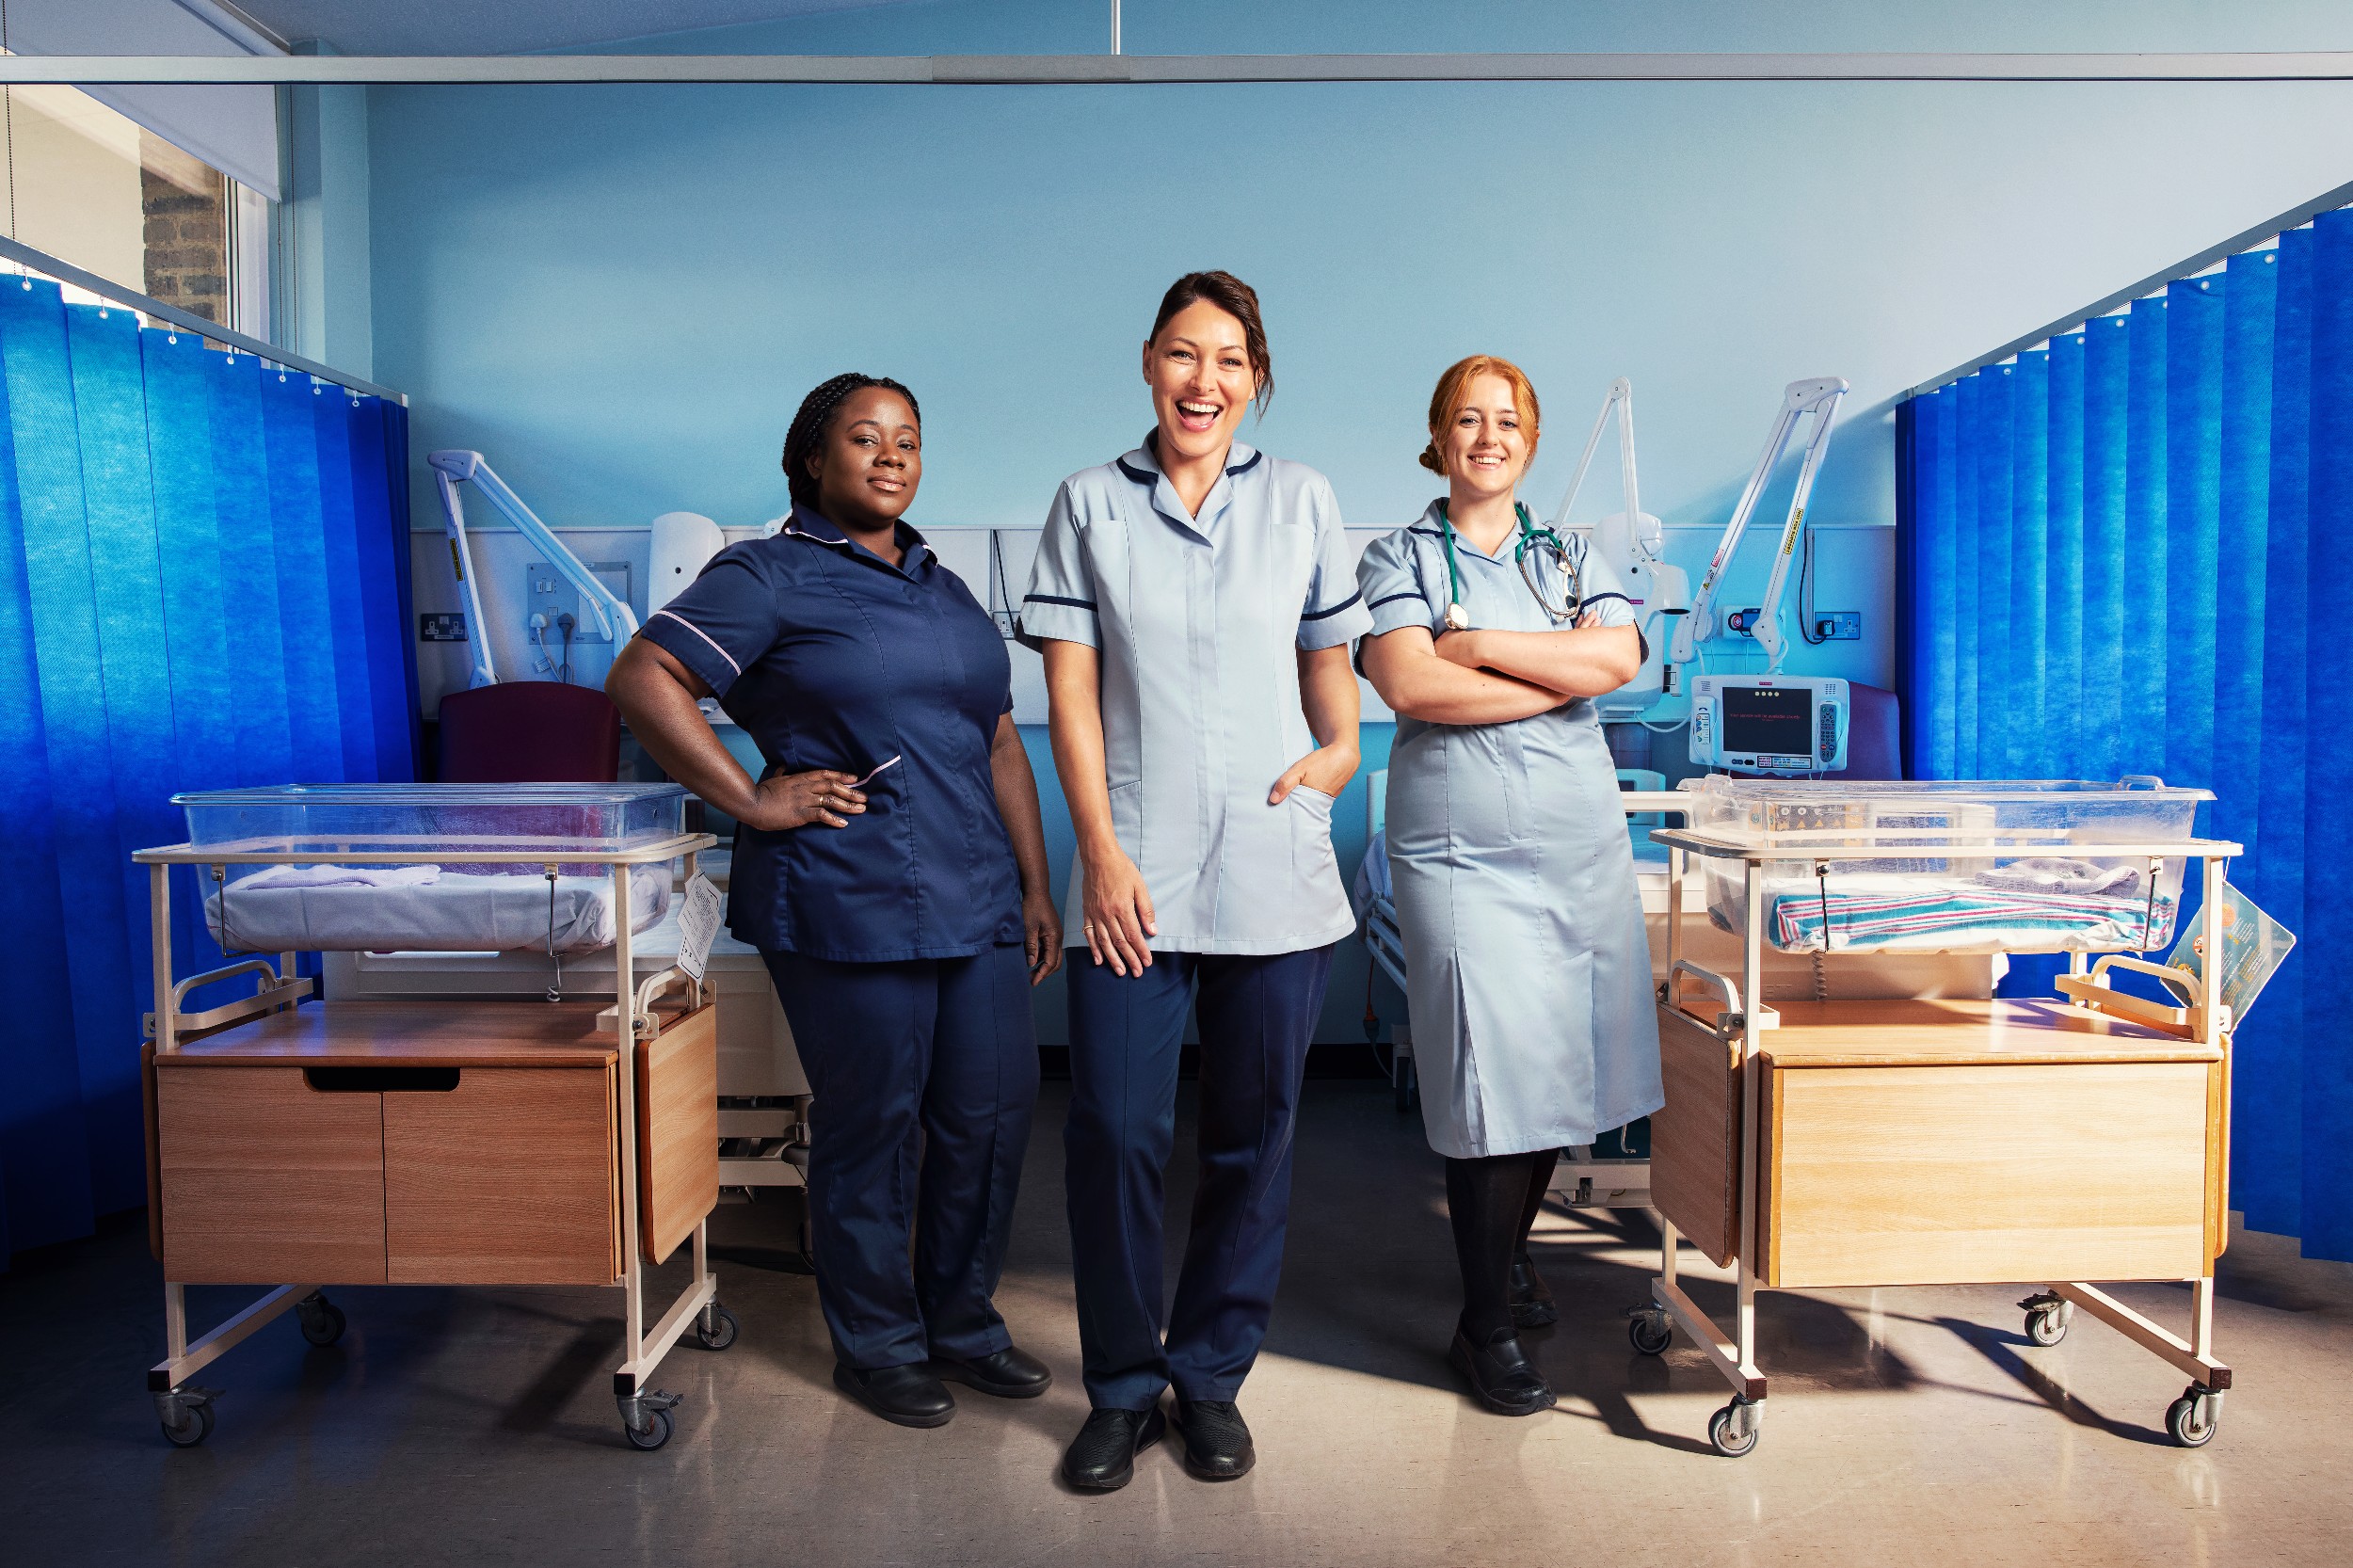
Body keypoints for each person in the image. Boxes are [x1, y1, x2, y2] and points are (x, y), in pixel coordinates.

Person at [606, 373, 1063, 1430]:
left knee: (991, 1121)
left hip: (979, 897)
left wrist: (1038, 885)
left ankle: (964, 1323)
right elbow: (643, 677)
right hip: (852, 899)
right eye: (865, 437)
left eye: (907, 438)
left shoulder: (941, 587)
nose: (892, 454)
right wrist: (750, 803)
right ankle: (880, 1342)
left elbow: (996, 739)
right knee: (873, 1127)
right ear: (812, 460)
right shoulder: (765, 574)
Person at [1021, 272, 1370, 1489]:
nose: (1203, 380)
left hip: (1272, 867)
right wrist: (1099, 853)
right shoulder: (1086, 504)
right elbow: (1068, 692)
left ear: (1255, 378)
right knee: (1113, 1128)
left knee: (1253, 1135)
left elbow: (1333, 672)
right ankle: (1120, 1385)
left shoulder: (1305, 500)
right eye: (1182, 354)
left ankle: (1211, 1377)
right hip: (1135, 871)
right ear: (1148, 363)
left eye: (1227, 359)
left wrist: (1337, 756)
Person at [1353, 355, 1664, 1416]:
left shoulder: (1570, 552)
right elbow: (1404, 680)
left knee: (1549, 1068)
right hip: (1456, 848)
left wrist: (1478, 646)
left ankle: (1504, 1263)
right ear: (1435, 438)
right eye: (1465, 420)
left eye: (1507, 421)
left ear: (1529, 439)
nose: (1487, 437)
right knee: (1488, 1067)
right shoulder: (1398, 552)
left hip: (1571, 843)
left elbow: (1617, 658)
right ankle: (1480, 1325)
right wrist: (1550, 673)